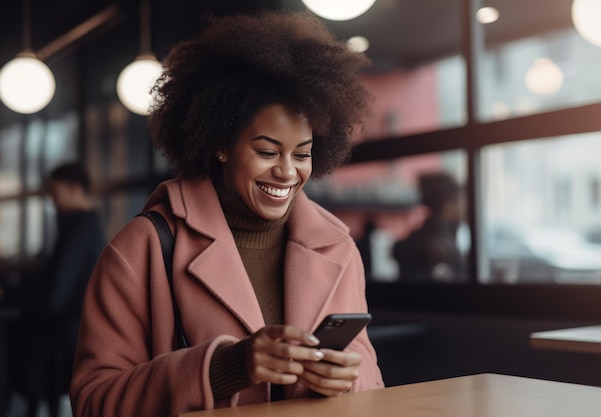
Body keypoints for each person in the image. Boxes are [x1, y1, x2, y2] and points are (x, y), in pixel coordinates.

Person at [70, 11, 384, 417]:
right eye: (267, 152)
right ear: (221, 144)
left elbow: (374, 387)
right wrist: (224, 369)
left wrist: (346, 382)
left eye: (302, 154)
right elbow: (94, 401)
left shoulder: (338, 248)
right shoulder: (143, 247)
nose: (288, 172)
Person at [9, 162, 105, 417]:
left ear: (74, 189)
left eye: (55, 192)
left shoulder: (80, 229)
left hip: (68, 331)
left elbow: (55, 298)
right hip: (71, 327)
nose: (52, 200)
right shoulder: (85, 226)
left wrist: (17, 303)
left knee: (13, 335)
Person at [392, 172, 466, 282]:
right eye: (460, 199)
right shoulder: (441, 246)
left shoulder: (416, 238)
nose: (464, 204)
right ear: (448, 204)